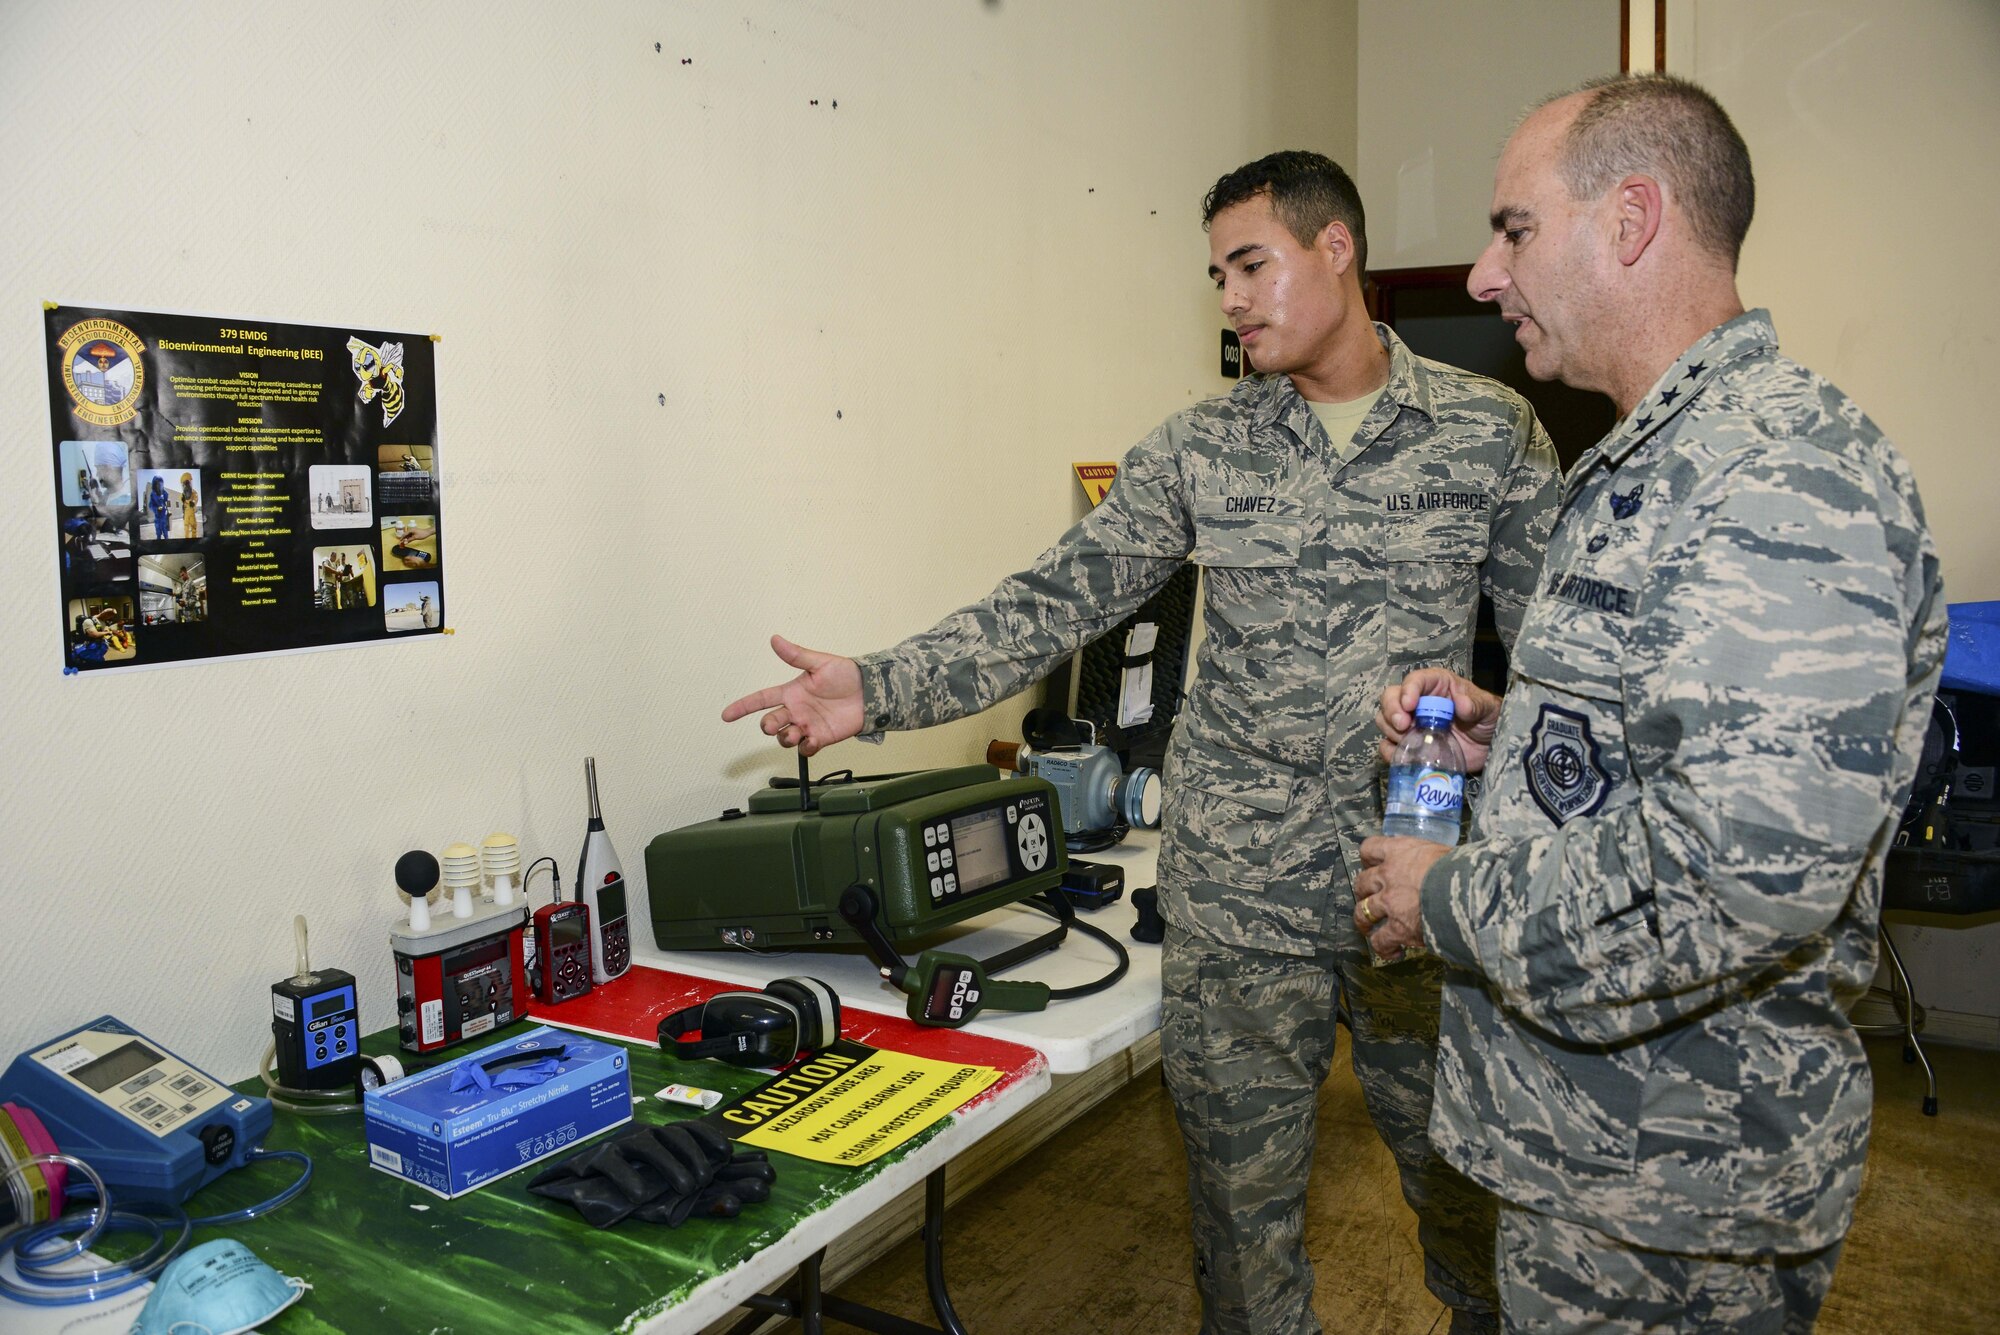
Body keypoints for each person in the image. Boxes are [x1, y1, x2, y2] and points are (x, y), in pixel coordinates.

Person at [723, 151, 1561, 1334]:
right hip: (1235, 895)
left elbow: (1559, 674)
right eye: (1215, 273)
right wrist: (879, 686)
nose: (1228, 296)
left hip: (1412, 888)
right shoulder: (1197, 450)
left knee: (1470, 1200)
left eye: (1250, 264)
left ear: (1337, 252)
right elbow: (1053, 600)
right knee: (1237, 1217)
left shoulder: (1489, 432)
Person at [1354, 74, 1945, 1332]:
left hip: (1674, 1199)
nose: (1479, 275)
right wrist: (1510, 740)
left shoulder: (1773, 480)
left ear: (1629, 220)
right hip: (1592, 1165)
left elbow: (1738, 871)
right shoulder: (1649, 458)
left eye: (1512, 229)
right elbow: (1680, 751)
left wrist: (1444, 894)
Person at [179, 473, 199, 540]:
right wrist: (183, 514)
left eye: (187, 482)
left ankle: (194, 539)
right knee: (186, 528)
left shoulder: (193, 492)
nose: (186, 484)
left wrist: (193, 502)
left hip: (191, 511)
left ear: (189, 482)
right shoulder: (183, 494)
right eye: (185, 483)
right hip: (186, 513)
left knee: (193, 527)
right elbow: (183, 503)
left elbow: (196, 498)